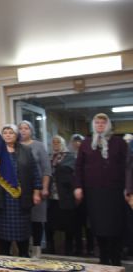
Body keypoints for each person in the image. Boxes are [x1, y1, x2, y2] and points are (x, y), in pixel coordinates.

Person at [74, 113, 127, 266]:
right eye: (97, 123)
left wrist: (128, 188)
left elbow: (127, 166)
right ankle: (103, 259)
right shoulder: (86, 143)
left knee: (115, 227)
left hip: (115, 191)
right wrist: (78, 186)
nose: (100, 125)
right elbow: (79, 167)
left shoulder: (119, 143)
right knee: (98, 227)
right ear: (93, 125)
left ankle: (116, 260)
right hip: (94, 192)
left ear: (108, 125)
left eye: (103, 123)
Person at [0, 124, 42, 258]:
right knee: (3, 238)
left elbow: (35, 173)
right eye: (5, 133)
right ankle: (4, 259)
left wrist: (36, 192)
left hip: (21, 198)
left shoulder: (26, 150)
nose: (8, 135)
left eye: (11, 133)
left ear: (16, 135)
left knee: (23, 236)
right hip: (3, 198)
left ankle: (24, 258)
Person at [18, 120, 51, 258]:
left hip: (37, 188)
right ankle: (23, 249)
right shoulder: (16, 146)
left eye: (26, 128)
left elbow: (46, 169)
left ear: (31, 131)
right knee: (23, 220)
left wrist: (44, 187)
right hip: (21, 190)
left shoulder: (38, 146)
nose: (23, 131)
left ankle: (37, 248)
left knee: (37, 219)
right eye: (21, 128)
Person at [45, 135, 76, 255]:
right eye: (53, 142)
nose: (56, 144)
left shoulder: (70, 157)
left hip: (65, 196)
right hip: (51, 197)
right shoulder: (49, 157)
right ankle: (50, 247)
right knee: (49, 225)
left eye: (58, 142)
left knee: (69, 225)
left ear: (62, 143)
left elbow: (71, 173)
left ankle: (69, 249)